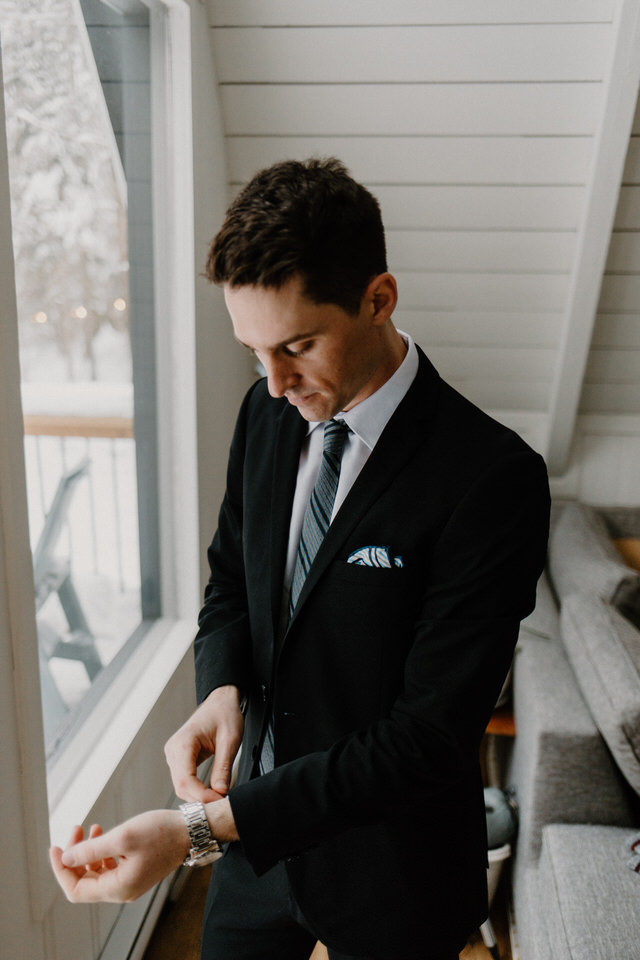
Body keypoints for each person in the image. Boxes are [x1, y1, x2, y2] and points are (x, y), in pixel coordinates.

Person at [50, 158, 550, 960]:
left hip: (397, 872)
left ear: (378, 299)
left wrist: (194, 833)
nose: (276, 382)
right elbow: (233, 582)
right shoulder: (267, 413)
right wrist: (221, 684)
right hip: (258, 853)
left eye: (298, 345)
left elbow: (424, 740)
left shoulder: (493, 480)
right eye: (254, 351)